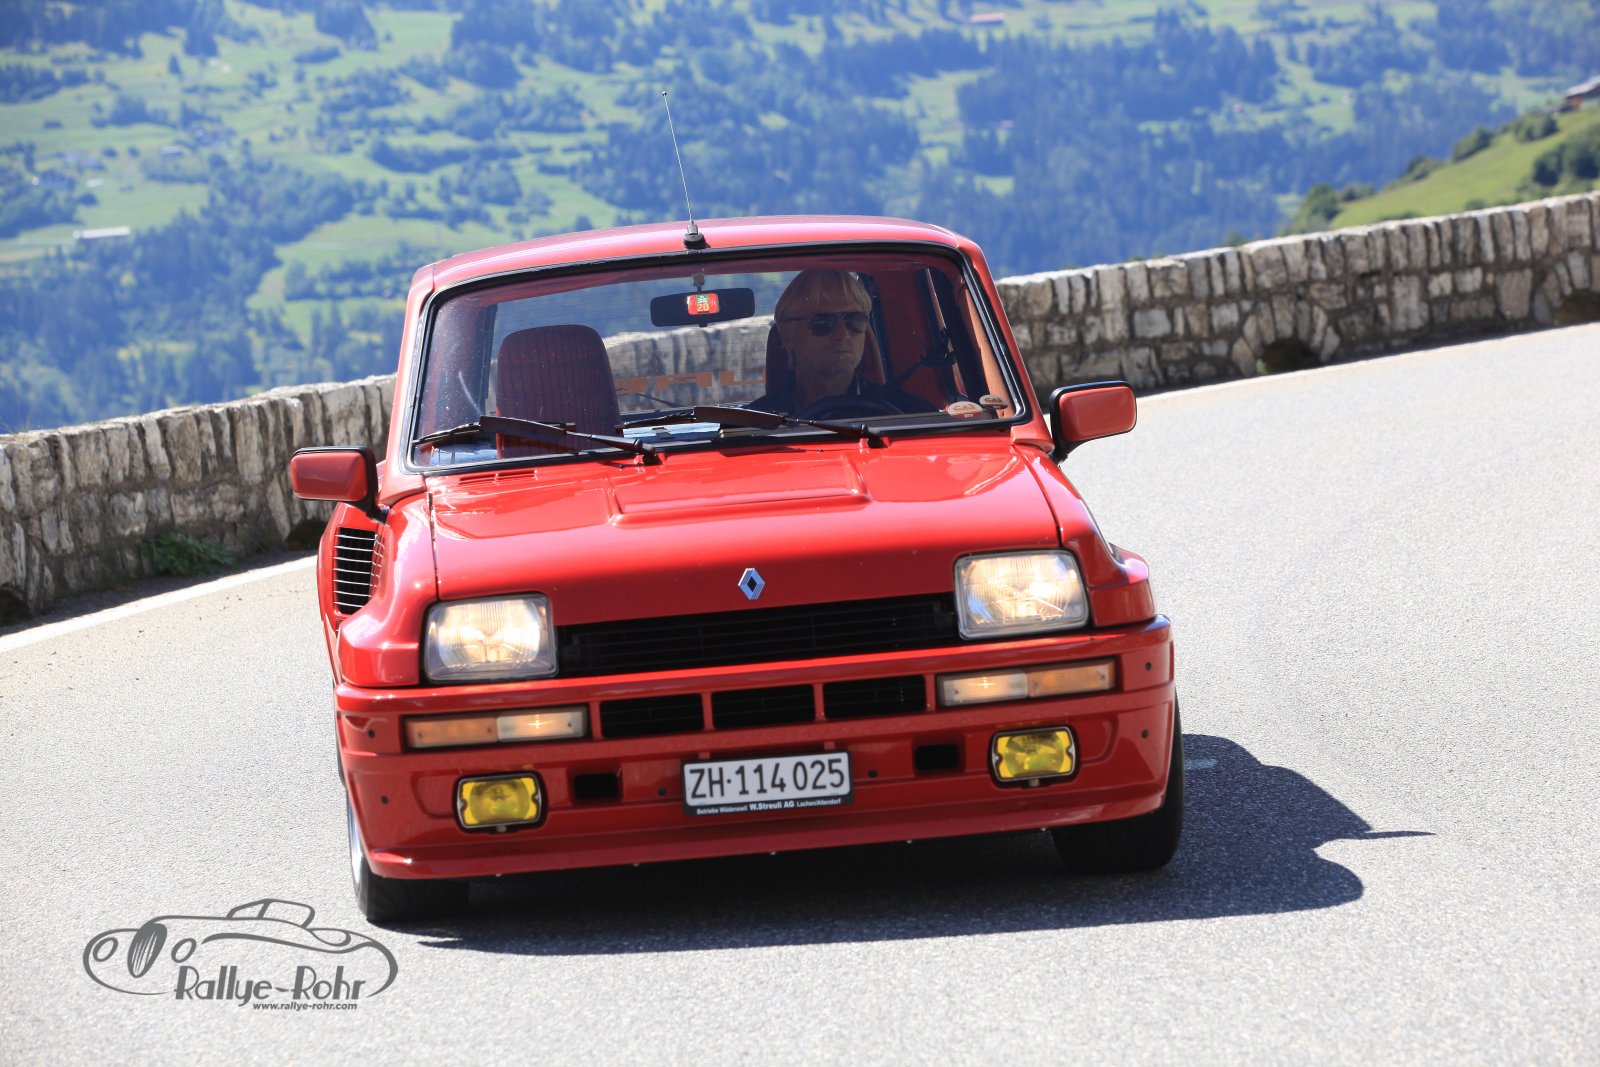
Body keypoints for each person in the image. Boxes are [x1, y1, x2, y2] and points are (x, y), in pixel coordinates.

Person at [749, 268, 937, 417]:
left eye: (854, 320)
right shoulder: (752, 427)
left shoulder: (913, 415)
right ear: (787, 334)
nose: (843, 334)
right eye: (822, 322)